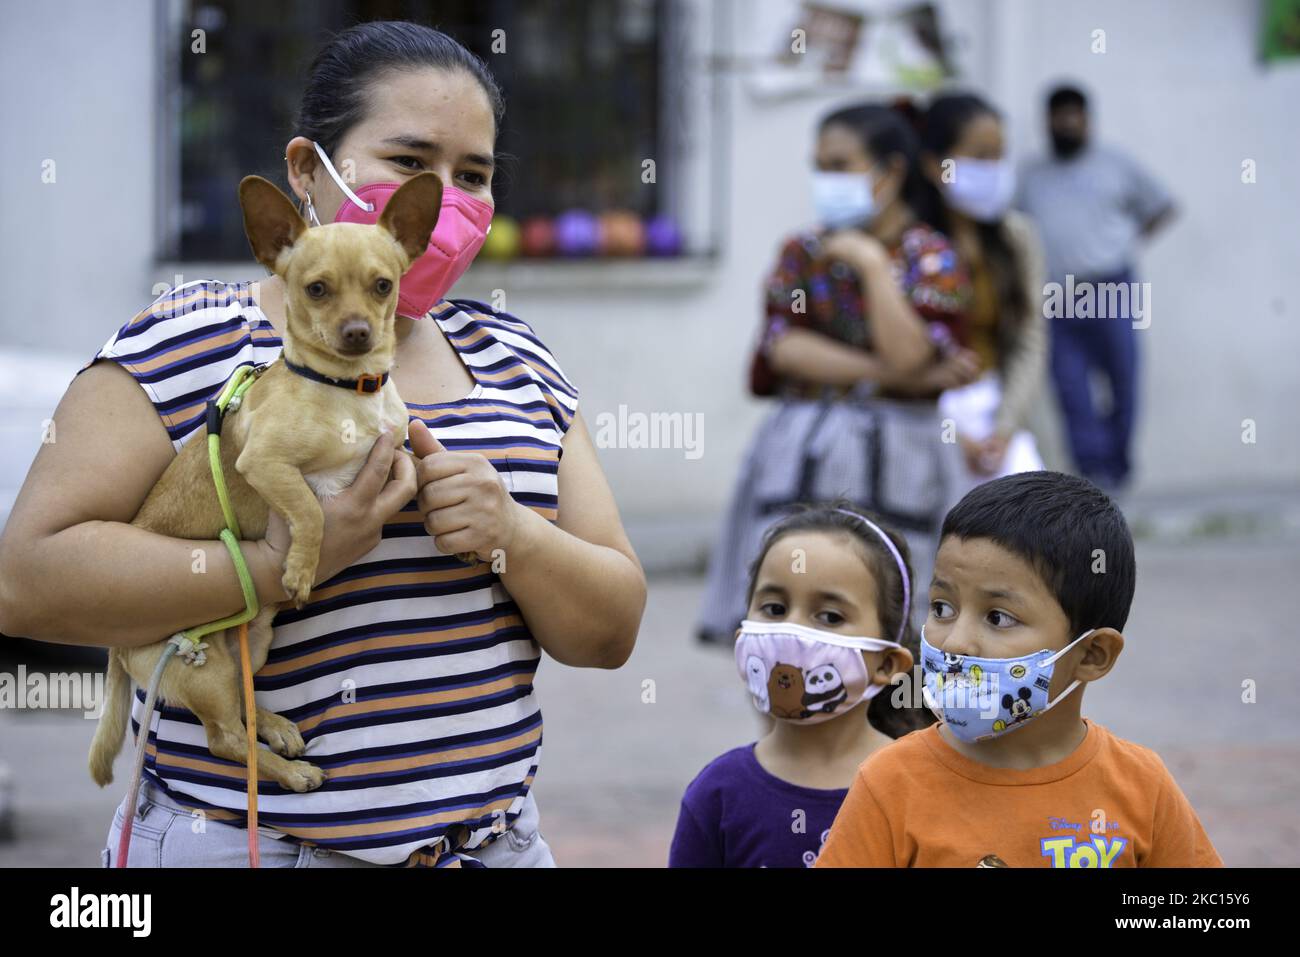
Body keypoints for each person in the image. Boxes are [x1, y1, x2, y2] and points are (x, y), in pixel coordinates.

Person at [0, 20, 647, 868]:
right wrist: (280, 565)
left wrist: (514, 536)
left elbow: (611, 631)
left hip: (491, 848)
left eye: (475, 175)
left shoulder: (516, 356)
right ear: (306, 171)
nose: (446, 197)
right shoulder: (184, 340)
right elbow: (26, 581)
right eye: (412, 162)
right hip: (251, 847)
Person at [815, 471, 1222, 867]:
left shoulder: (1141, 787)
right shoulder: (891, 782)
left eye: (998, 617)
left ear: (1093, 654)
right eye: (942, 608)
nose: (955, 641)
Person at [696, 102, 980, 645]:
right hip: (804, 451)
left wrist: (872, 266)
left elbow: (910, 353)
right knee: (791, 597)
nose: (824, 179)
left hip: (904, 459)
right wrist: (898, 376)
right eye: (819, 165)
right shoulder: (803, 252)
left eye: (839, 164)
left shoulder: (932, 257)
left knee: (899, 604)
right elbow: (784, 348)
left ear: (890, 173)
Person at [670, 501, 930, 867]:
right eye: (775, 608)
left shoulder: (920, 789)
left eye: (829, 616)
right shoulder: (718, 793)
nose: (793, 632)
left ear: (887, 663)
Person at [1017, 84, 1177, 492]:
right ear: (1047, 121)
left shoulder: (1115, 164)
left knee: (1123, 376)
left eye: (1075, 115)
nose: (1067, 123)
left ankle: (1118, 468)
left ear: (1087, 119)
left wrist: (1122, 242)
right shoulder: (1032, 174)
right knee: (1070, 387)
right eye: (1059, 116)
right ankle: (1093, 475)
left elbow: (1163, 206)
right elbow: (1015, 227)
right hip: (1057, 293)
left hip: (1111, 286)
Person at [915, 92, 1048, 493]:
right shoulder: (910, 245)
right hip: (923, 419)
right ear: (934, 165)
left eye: (999, 156)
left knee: (1028, 527)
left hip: (994, 413)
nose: (993, 170)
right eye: (979, 156)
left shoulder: (1016, 238)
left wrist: (1005, 428)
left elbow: (1030, 338)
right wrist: (953, 436)